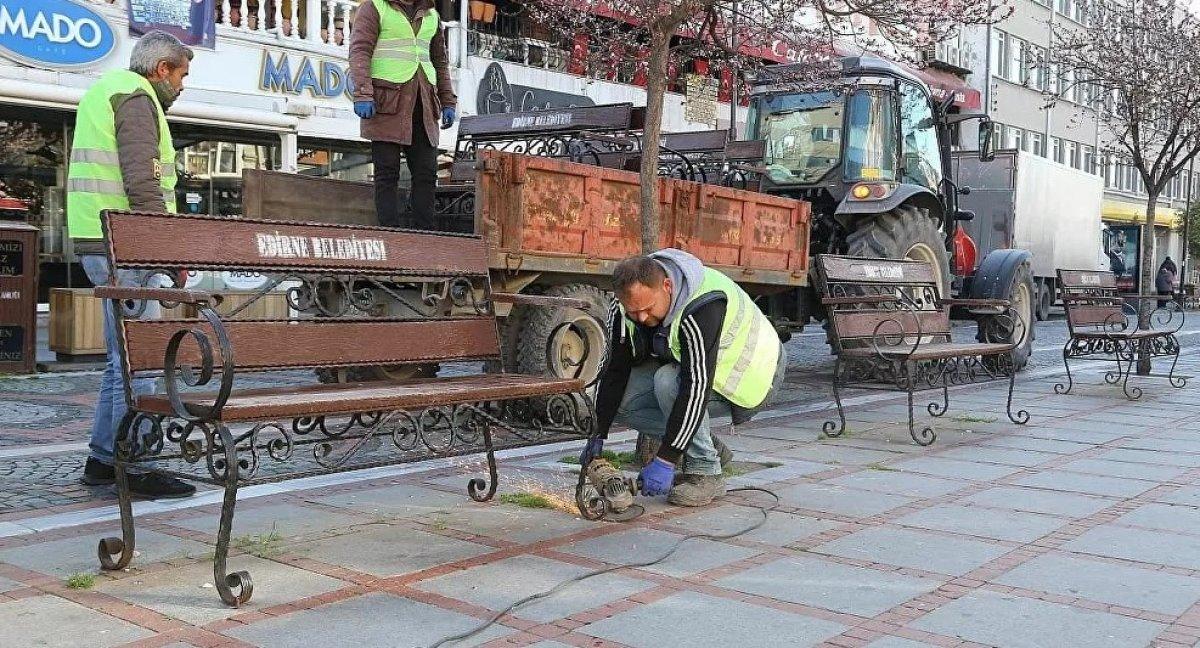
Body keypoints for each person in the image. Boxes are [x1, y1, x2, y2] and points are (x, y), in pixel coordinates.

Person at [70, 32, 196, 499]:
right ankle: (137, 464)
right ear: (162, 68)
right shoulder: (137, 97)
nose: (183, 85)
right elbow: (143, 183)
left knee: (121, 361)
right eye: (182, 74)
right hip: (124, 247)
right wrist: (166, 250)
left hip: (102, 242)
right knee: (139, 359)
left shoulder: (106, 90)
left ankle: (104, 459)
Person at [583, 250, 787, 507]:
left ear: (667, 286)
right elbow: (615, 370)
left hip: (756, 373)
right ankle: (708, 450)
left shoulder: (701, 305)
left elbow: (696, 386)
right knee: (624, 401)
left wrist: (665, 459)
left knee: (667, 381)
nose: (642, 318)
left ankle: (706, 473)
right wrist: (597, 434)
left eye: (647, 309)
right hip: (696, 373)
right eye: (634, 312)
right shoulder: (624, 308)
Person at [349, 0, 457, 229]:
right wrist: (362, 94)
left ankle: (424, 235)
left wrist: (448, 100)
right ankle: (389, 233)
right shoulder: (374, 7)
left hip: (424, 104)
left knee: (427, 175)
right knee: (387, 173)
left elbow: (440, 61)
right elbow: (360, 51)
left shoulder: (431, 15)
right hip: (387, 103)